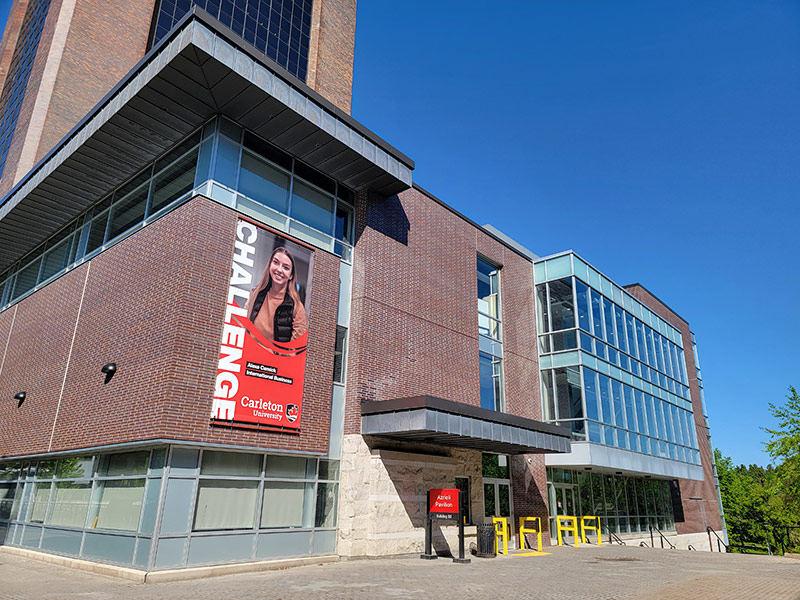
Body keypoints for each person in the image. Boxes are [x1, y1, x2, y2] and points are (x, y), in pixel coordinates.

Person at [244, 246, 308, 342]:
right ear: (270, 264)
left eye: (286, 268)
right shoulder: (255, 294)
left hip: (272, 357)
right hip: (247, 354)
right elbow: (242, 326)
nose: (279, 269)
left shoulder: (297, 308)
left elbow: (295, 349)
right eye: (276, 262)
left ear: (291, 276)